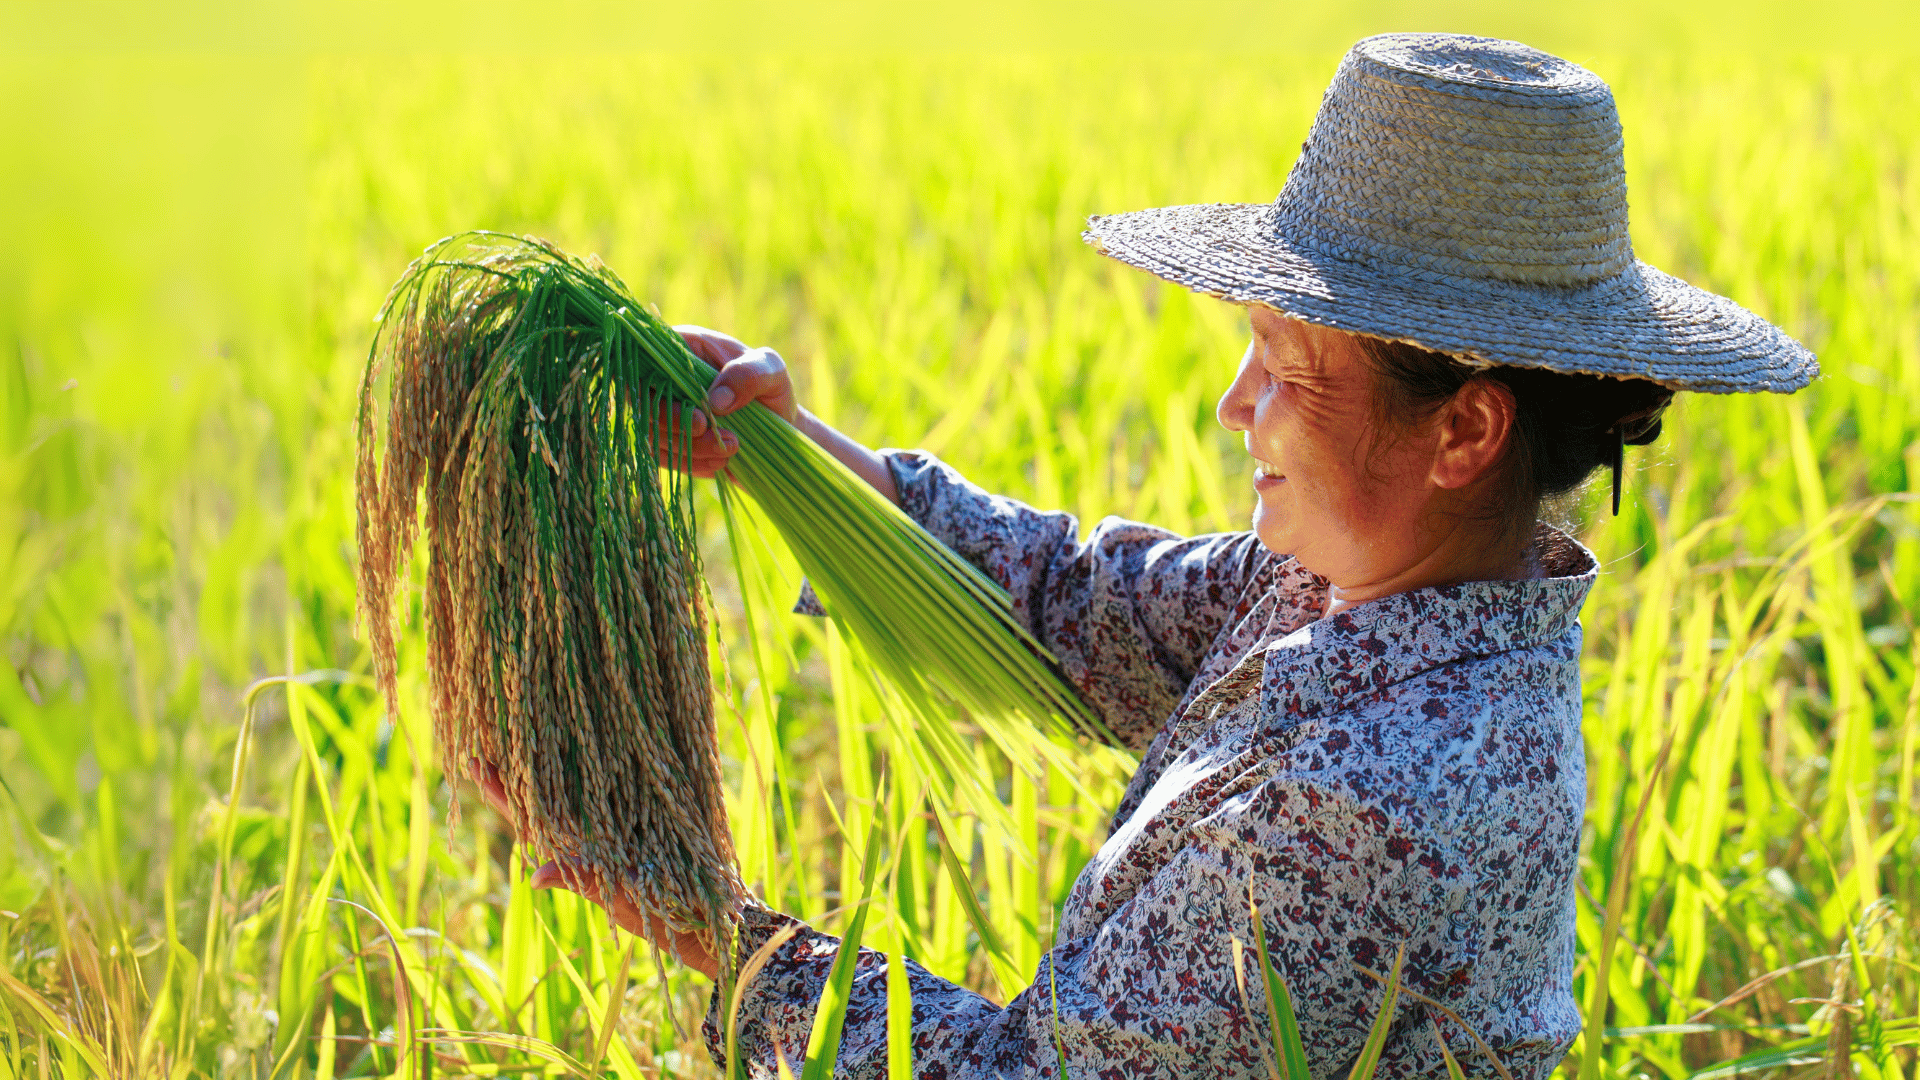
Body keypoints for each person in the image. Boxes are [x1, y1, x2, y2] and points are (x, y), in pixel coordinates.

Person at [484, 32, 1816, 1080]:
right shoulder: (1353, 594)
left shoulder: (1384, 808)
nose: (1236, 405)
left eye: (1286, 368)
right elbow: (1070, 601)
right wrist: (786, 450)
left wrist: (718, 932)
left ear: (1463, 428)